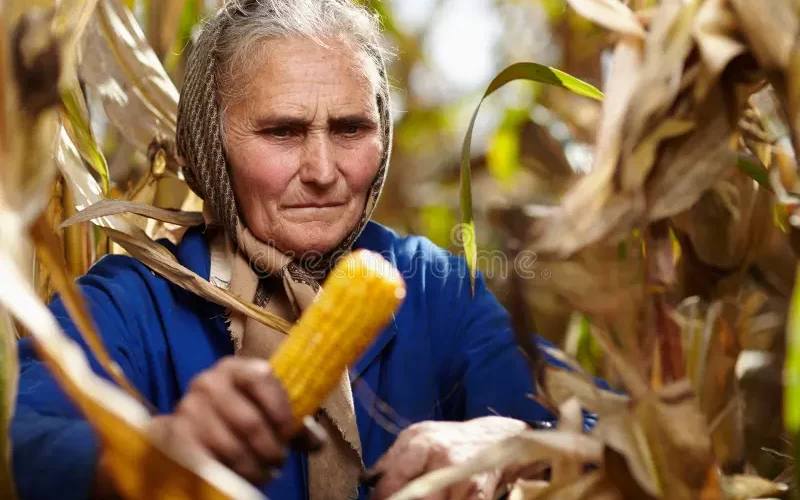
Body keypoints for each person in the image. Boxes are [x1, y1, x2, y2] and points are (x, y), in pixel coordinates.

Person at [11, 1, 580, 499]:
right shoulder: (130, 303)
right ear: (211, 147)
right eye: (282, 132)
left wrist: (509, 441)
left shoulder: (436, 288)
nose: (323, 171)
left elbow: (607, 423)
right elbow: (21, 438)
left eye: (351, 128)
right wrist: (151, 450)